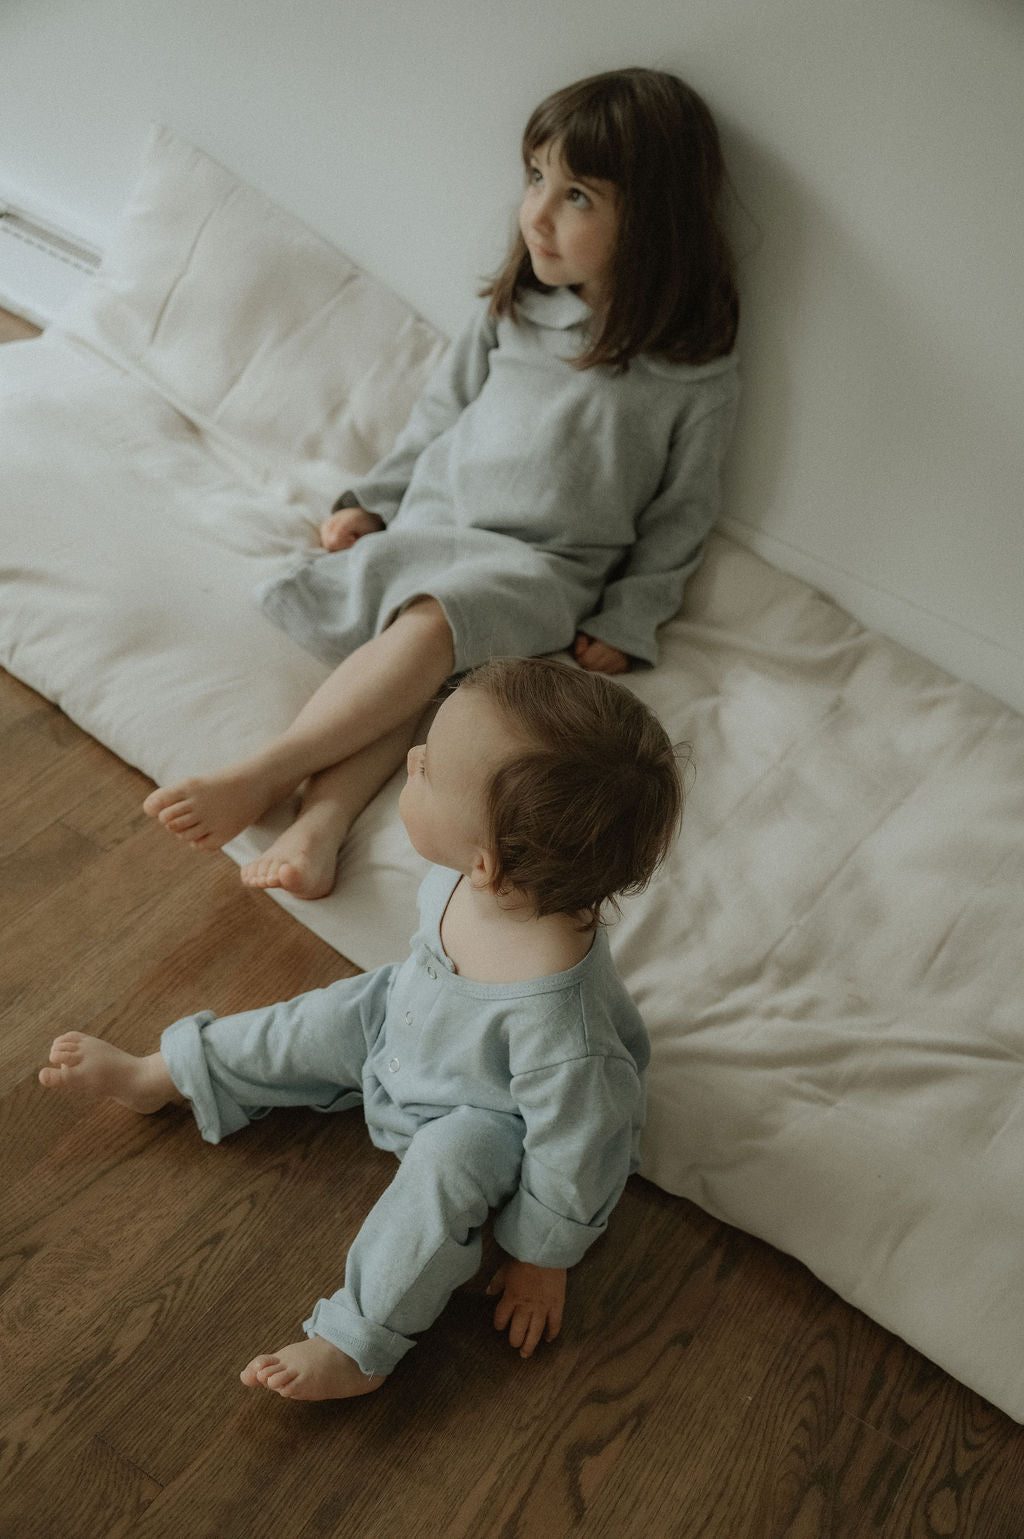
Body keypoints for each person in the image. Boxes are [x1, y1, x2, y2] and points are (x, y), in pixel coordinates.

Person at [142, 66, 737, 899]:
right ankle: (320, 825)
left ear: (654, 221)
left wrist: (631, 613)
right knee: (417, 680)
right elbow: (437, 415)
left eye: (578, 197)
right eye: (536, 177)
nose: (537, 212)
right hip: (438, 524)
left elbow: (683, 510)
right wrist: (373, 500)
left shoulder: (690, 372)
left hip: (542, 567)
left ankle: (266, 772)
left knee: (429, 632)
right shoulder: (519, 309)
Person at [41, 657, 684, 1401]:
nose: (411, 758)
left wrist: (543, 1259)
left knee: (448, 1170)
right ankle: (166, 1073)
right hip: (402, 1021)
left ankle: (356, 1341)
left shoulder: (564, 1033)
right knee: (313, 1020)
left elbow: (578, 1153)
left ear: (487, 866)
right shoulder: (477, 874)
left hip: (479, 1112)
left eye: (428, 771)